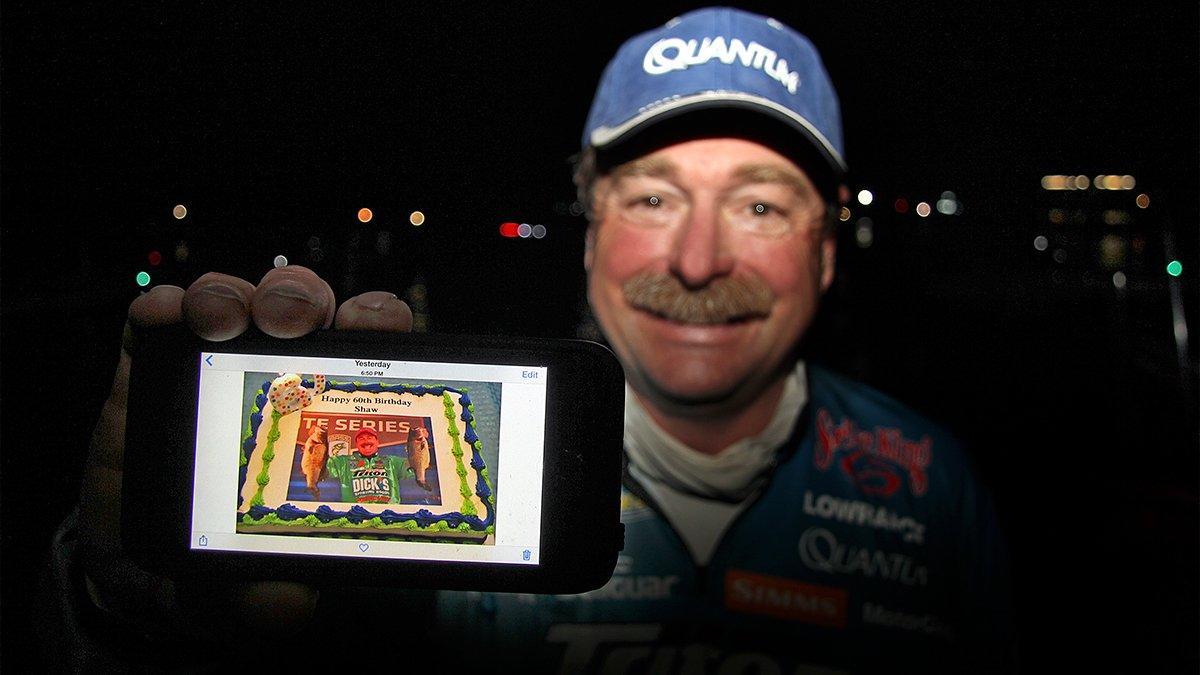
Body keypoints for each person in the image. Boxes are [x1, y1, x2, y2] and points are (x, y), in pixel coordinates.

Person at [41, 7, 1012, 672]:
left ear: (828, 251)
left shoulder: (931, 485)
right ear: (591, 232)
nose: (699, 259)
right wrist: (126, 620)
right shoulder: (472, 470)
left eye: (760, 205)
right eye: (653, 198)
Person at [325, 427, 410, 503]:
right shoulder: (343, 462)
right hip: (355, 512)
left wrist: (416, 445)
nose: (366, 441)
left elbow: (414, 467)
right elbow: (321, 464)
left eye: (369, 438)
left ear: (377, 442)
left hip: (389, 512)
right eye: (361, 438)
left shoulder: (392, 462)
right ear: (357, 444)